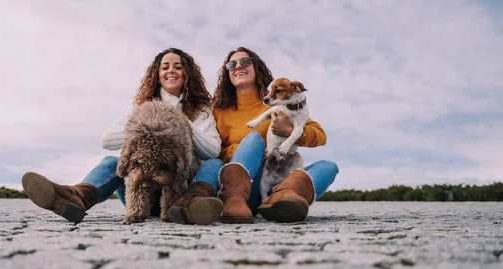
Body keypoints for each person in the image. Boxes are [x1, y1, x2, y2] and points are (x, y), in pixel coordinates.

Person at [22, 47, 221, 224]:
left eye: (178, 66)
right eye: (165, 66)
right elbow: (106, 140)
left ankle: (190, 208)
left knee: (215, 165)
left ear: (187, 73)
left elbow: (213, 152)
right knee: (111, 161)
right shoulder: (141, 108)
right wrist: (144, 123)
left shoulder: (202, 111)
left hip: (178, 194)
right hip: (140, 192)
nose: (171, 70)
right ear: (157, 73)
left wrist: (179, 122)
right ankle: (77, 197)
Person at [170, 46, 339, 224]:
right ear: (227, 73)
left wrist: (288, 131)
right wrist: (251, 151)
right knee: (245, 144)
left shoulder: (280, 102)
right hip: (239, 186)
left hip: (272, 183)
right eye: (232, 64)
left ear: (256, 67)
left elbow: (320, 136)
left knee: (328, 167)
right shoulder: (218, 110)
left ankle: (282, 199)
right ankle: (196, 204)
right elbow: (213, 150)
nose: (238, 66)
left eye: (245, 61)